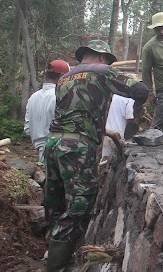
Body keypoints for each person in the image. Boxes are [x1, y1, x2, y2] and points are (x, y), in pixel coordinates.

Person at [44, 40, 149, 270]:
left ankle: (49, 252)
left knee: (56, 204)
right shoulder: (103, 71)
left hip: (53, 144)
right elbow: (140, 89)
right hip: (78, 149)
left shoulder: (65, 77)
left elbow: (74, 115)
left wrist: (106, 130)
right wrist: (140, 104)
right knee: (77, 210)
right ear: (102, 57)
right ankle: (56, 267)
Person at [24, 59, 70, 164]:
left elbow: (27, 129)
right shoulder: (61, 96)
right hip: (59, 151)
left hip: (40, 150)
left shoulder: (33, 97)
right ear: (63, 76)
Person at [101, 94, 136, 160]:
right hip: (119, 134)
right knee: (117, 159)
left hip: (107, 130)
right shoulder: (130, 101)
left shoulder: (115, 95)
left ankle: (102, 169)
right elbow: (130, 119)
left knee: (105, 158)